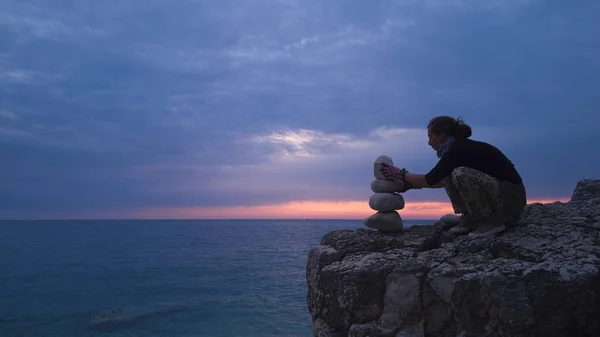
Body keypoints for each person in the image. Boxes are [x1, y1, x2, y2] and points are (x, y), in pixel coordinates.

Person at [380, 116, 527, 237]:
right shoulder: (456, 147)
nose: (429, 142)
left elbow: (429, 179)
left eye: (431, 137)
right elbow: (440, 180)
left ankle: (492, 221)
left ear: (441, 134)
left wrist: (401, 173)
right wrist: (408, 184)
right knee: (451, 174)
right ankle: (470, 217)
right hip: (503, 193)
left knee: (460, 173)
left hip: (511, 197)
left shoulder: (457, 149)